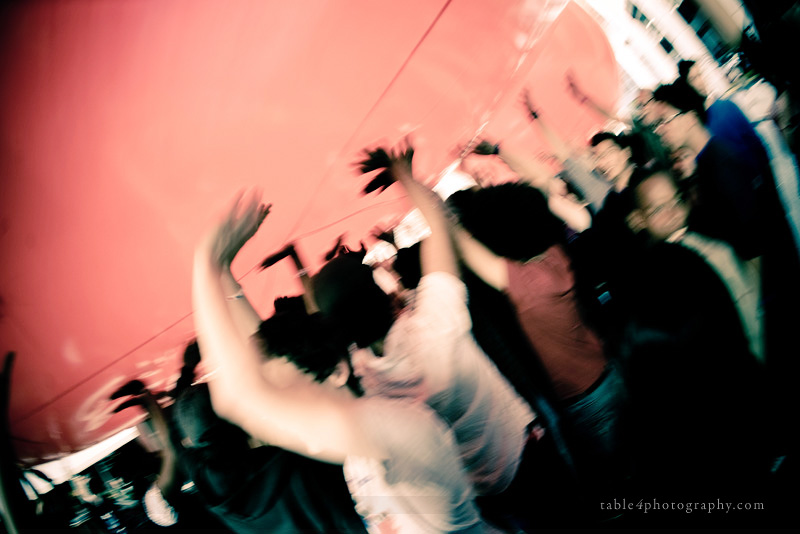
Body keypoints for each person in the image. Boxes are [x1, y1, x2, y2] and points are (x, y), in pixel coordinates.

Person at [193, 193, 489, 534]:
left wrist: (205, 263)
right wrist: (226, 278)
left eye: (287, 392)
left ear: (337, 372)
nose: (280, 409)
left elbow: (240, 399)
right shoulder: (359, 408)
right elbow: (262, 368)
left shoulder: (401, 431)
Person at [313, 143, 537, 504]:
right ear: (384, 294)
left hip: (477, 494)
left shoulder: (364, 379)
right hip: (521, 454)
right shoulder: (434, 325)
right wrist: (402, 171)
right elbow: (437, 223)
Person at [444, 183, 629, 502]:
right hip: (608, 373)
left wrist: (433, 205)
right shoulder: (556, 256)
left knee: (617, 477)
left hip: (582, 399)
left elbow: (466, 249)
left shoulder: (527, 282)